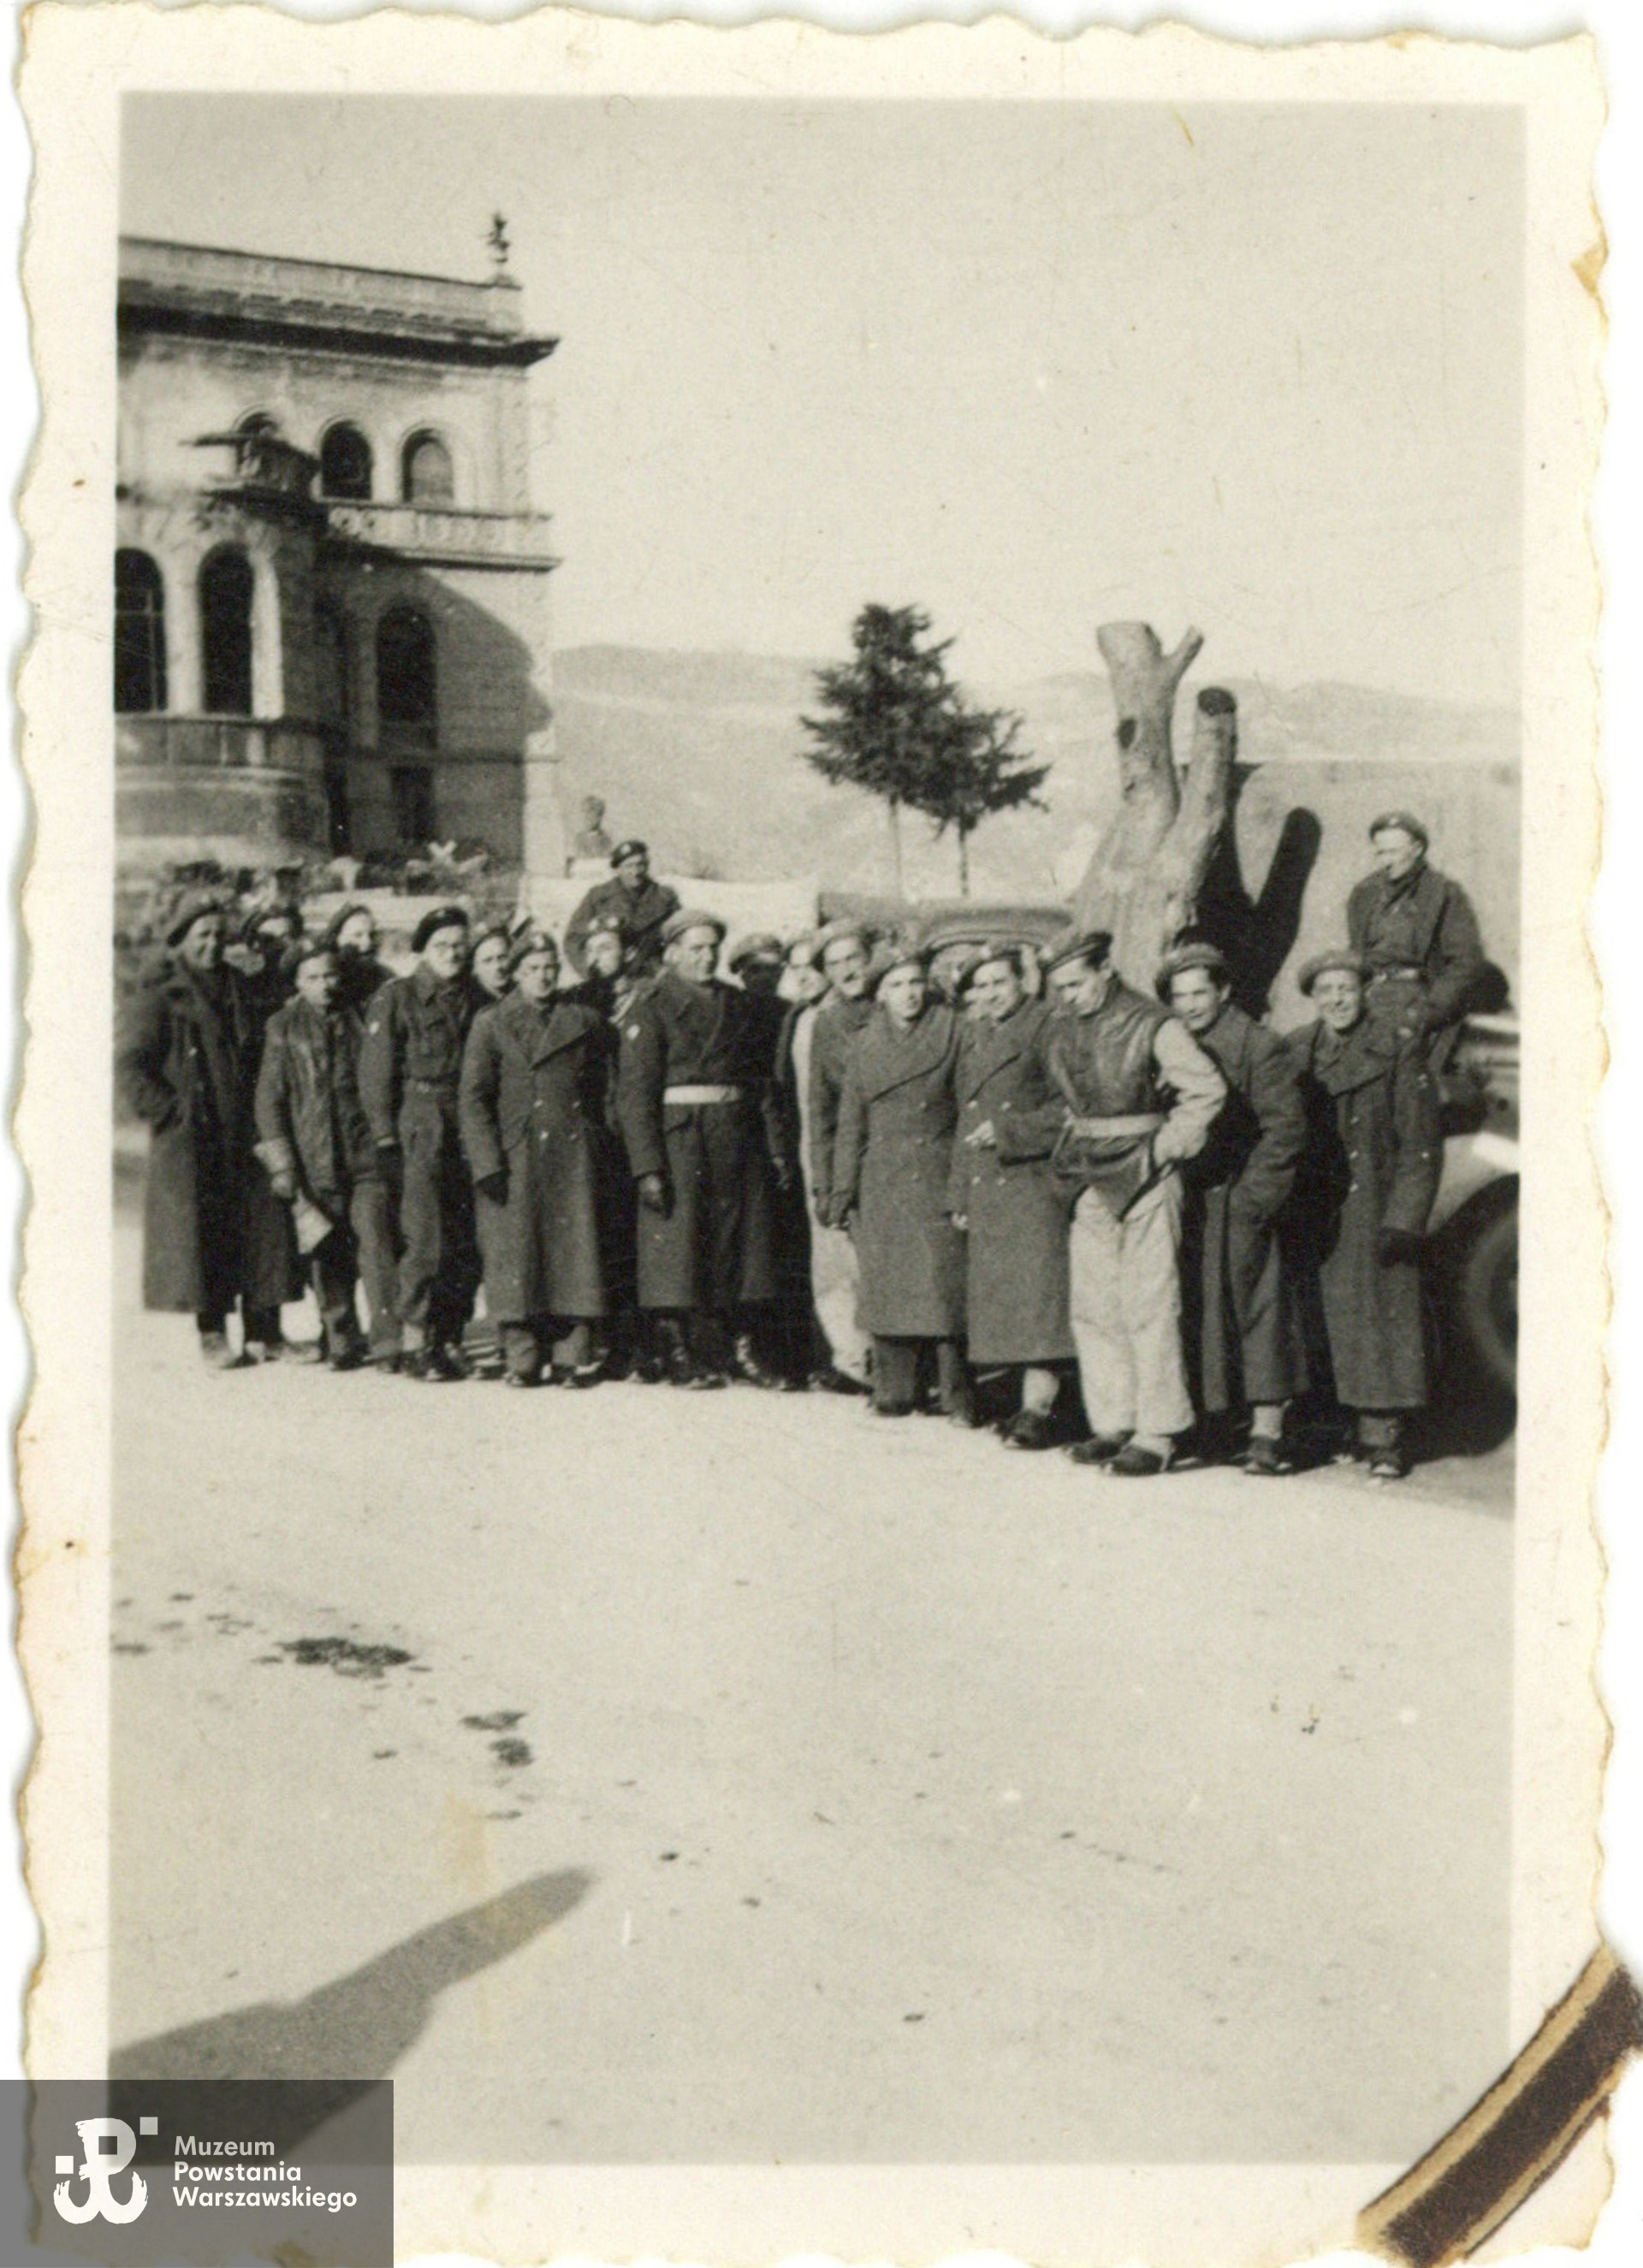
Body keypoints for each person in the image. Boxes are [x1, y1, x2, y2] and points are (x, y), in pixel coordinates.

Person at [1033, 929, 1226, 1476]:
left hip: (1144, 1174)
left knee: (1150, 1303)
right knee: (1094, 1305)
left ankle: (1159, 1431)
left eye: (1076, 983)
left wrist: (1166, 1148)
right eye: (1059, 987)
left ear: (1105, 971)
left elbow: (1206, 1091)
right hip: (1089, 1176)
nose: (1068, 996)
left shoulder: (1153, 1023)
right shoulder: (1062, 1027)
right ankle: (1113, 1422)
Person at [116, 891, 302, 1369]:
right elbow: (130, 1066)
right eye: (203, 935)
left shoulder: (243, 987)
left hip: (246, 1130)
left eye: (221, 935)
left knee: (263, 1229)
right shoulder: (160, 999)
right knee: (208, 1235)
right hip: (196, 1137)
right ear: (180, 941)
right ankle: (214, 1335)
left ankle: (266, 1333)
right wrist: (172, 1112)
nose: (213, 944)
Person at [1288, 948, 1444, 1481]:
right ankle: (1332, 1424)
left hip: (1374, 1200)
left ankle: (1383, 1435)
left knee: (1378, 1317)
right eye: (1325, 991)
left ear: (1364, 993)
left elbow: (1420, 1143)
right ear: (1313, 998)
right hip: (1317, 1204)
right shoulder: (1296, 1051)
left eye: (1346, 990)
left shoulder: (1397, 1050)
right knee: (1321, 1313)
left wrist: (1404, 1217)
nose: (1336, 1000)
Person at [614, 908, 786, 1389]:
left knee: (741, 1246)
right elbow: (635, 1094)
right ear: (671, 954)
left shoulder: (737, 1004)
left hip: (735, 1135)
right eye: (694, 948)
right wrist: (646, 1166)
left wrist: (774, 1149)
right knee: (677, 1247)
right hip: (680, 1140)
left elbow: (761, 1083)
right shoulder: (650, 1005)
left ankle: (738, 1349)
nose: (705, 957)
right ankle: (679, 1351)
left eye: (712, 948)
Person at [1158, 943, 1308, 1474]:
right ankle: (1212, 1420)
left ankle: (1270, 1427)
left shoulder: (1258, 1045)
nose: (1192, 1005)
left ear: (1223, 991)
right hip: (1193, 1193)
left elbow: (1285, 1129)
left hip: (1244, 1192)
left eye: (1201, 992)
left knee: (1259, 1306)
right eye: (1180, 996)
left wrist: (1256, 1197)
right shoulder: (1170, 1045)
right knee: (1197, 1307)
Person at [460, 929, 609, 1387]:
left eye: (549, 969)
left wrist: (597, 1143)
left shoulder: (582, 1020)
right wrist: (487, 1161)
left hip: (571, 1153)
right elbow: (474, 1097)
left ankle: (570, 1355)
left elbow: (605, 1086)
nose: (543, 978)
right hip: (515, 1154)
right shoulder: (492, 1023)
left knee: (573, 1255)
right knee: (516, 1257)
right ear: (517, 973)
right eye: (532, 969)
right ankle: (521, 1358)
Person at [829, 945, 970, 1422]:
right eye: (897, 986)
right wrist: (841, 1191)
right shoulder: (864, 1045)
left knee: (943, 1282)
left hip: (937, 1163)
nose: (909, 994)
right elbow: (851, 1123)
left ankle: (955, 1390)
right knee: (887, 1281)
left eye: (915, 983)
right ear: (881, 994)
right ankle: (895, 1387)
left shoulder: (953, 1030)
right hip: (884, 1174)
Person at [950, 945, 1076, 1448]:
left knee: (1039, 1302)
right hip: (989, 1183)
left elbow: (1071, 1108)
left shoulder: (1050, 1025)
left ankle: (1040, 1408)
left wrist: (1008, 1131)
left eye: (999, 983)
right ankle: (1024, 1404)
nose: (989, 994)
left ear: (1024, 980)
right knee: (1007, 1302)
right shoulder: (977, 1032)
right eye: (980, 987)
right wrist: (959, 1192)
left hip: (1034, 1182)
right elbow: (966, 1114)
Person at [358, 905, 483, 1381]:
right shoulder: (400, 997)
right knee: (425, 1238)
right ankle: (415, 1338)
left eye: (459, 945)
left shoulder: (476, 998)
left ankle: (451, 1335)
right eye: (442, 946)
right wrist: (387, 1135)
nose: (453, 954)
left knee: (464, 1237)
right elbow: (375, 1074)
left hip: (466, 1121)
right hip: (421, 1119)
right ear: (424, 951)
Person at [252, 940, 377, 1370]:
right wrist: (283, 1163)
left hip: (362, 1152)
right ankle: (340, 1336)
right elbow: (269, 1100)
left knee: (368, 1240)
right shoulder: (282, 1027)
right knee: (325, 1247)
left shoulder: (360, 1018)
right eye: (313, 978)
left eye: (329, 976)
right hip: (313, 1154)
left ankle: (363, 1330)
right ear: (298, 983)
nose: (324, 986)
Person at [321, 900, 400, 1366]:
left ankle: (387, 1337)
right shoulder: (319, 992)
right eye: (354, 934)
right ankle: (339, 1336)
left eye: (370, 934)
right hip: (325, 1139)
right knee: (328, 1243)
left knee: (376, 1236)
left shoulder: (387, 984)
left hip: (369, 1132)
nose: (364, 943)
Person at [798, 922, 876, 1389]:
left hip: (898, 1152)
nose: (848, 970)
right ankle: (855, 1358)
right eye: (836, 963)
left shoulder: (898, 1004)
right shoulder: (826, 1024)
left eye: (855, 958)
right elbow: (819, 1107)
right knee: (839, 1260)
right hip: (848, 1154)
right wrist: (824, 1179)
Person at [1346, 811, 1485, 1062]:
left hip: (1416, 1000)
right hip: (1367, 997)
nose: (1386, 861)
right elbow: (1355, 954)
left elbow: (1466, 963)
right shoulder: (1364, 893)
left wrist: (1429, 1013)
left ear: (1417, 849)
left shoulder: (1443, 893)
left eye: (1394, 852)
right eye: (1381, 852)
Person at [564, 839, 681, 979]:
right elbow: (574, 938)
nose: (635, 872)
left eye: (640, 865)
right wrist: (591, 972)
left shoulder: (665, 898)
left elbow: (681, 937)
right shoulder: (598, 897)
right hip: (609, 977)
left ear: (647, 865)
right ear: (617, 869)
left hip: (652, 977)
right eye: (628, 866)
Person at [470, 921, 513, 1005]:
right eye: (488, 961)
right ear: (474, 968)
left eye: (502, 957)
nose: (498, 967)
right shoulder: (472, 1005)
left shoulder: (523, 991)